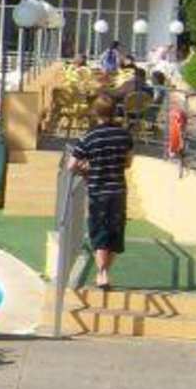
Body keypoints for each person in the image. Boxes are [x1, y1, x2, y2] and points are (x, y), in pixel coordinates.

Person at [69, 94, 135, 291]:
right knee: (115, 231)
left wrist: (86, 170)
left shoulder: (89, 137)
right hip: (118, 189)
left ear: (94, 112)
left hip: (97, 190)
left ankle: (102, 273)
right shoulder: (124, 135)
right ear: (114, 111)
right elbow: (128, 163)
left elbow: (71, 165)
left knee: (99, 231)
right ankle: (104, 272)